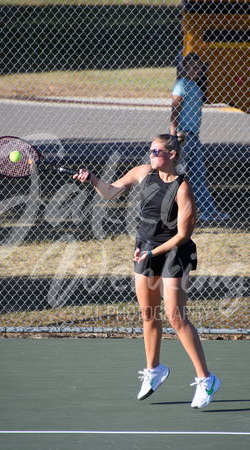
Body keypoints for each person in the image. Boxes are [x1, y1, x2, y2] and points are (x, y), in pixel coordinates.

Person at [74, 132, 220, 409]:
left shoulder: (183, 187)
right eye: (150, 151)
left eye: (156, 152)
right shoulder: (142, 173)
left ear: (171, 155)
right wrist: (92, 179)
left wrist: (153, 252)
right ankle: (155, 371)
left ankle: (206, 379)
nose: (151, 156)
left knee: (175, 317)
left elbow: (183, 235)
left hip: (174, 252)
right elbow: (111, 191)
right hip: (146, 248)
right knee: (148, 313)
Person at [170, 52, 230, 221]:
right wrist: (173, 134)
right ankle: (155, 202)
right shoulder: (181, 85)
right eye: (192, 67)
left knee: (198, 174)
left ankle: (208, 211)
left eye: (199, 68)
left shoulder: (195, 86)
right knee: (176, 172)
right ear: (184, 68)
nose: (197, 70)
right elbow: (175, 110)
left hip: (194, 136)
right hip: (184, 135)